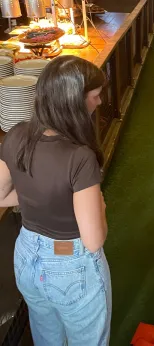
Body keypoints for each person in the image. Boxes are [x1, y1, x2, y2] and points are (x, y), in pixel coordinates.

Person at [0, 56, 111, 345]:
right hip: (70, 263)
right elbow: (94, 239)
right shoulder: (80, 157)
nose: (99, 103)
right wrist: (100, 207)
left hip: (25, 254)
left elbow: (1, 195)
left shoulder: (16, 135)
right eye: (95, 96)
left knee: (46, 334)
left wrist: (37, 201)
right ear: (74, 102)